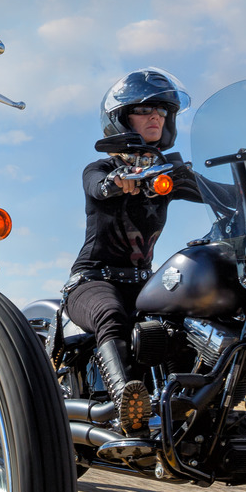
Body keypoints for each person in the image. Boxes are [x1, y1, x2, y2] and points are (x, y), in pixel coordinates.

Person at [65, 69, 202, 433]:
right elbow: (97, 187)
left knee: (189, 324)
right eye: (144, 110)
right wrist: (116, 182)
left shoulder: (169, 173)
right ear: (121, 119)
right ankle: (128, 405)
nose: (156, 115)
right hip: (93, 280)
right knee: (111, 315)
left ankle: (187, 410)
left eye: (161, 109)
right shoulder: (100, 167)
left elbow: (215, 190)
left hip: (144, 287)